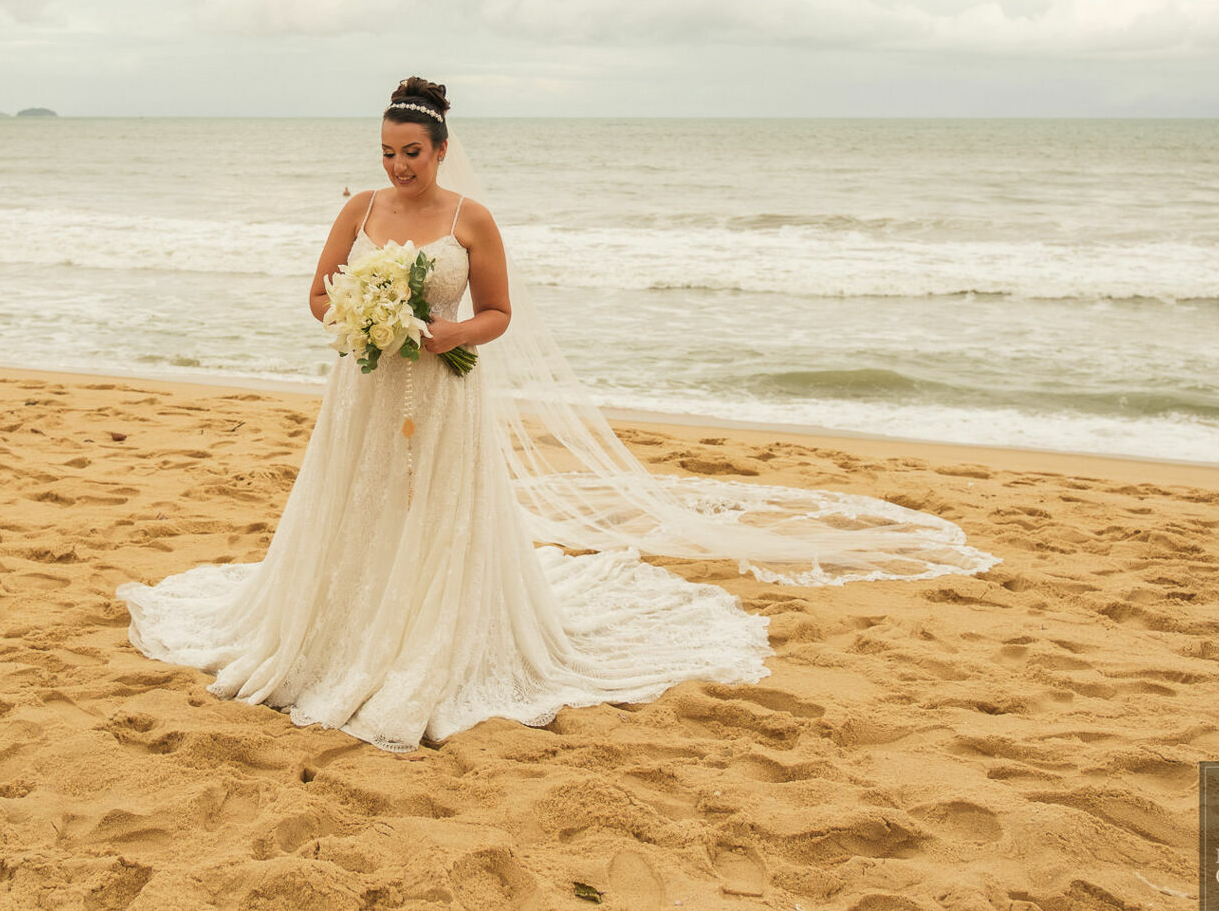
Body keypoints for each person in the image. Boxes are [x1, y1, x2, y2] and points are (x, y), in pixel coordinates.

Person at [116, 76, 996, 752]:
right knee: (365, 499)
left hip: (443, 390)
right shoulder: (360, 209)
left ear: (442, 149)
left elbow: (498, 315)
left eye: (410, 153)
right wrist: (362, 320)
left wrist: (443, 331)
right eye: (387, 151)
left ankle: (425, 637)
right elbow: (317, 295)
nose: (396, 166)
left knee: (437, 508)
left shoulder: (472, 220)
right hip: (368, 388)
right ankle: (340, 629)